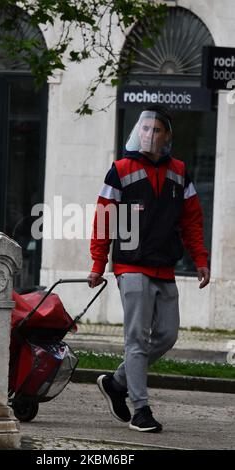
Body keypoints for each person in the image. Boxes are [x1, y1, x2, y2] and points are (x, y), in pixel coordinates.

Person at [87, 105, 210, 433]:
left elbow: (192, 220)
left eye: (156, 130)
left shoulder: (180, 172)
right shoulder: (120, 169)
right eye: (144, 129)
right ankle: (140, 409)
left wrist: (200, 259)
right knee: (137, 339)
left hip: (165, 268)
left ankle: (116, 382)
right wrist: (98, 264)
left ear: (166, 136)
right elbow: (104, 219)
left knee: (168, 335)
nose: (149, 135)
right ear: (137, 132)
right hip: (131, 266)